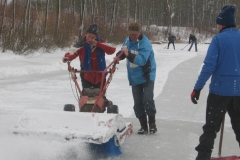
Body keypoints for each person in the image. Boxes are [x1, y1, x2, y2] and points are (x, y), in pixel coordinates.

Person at [190, 5, 240, 160]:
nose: (217, 26)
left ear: (223, 23)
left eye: (218, 23)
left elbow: (209, 66)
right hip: (238, 93)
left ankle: (203, 156)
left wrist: (197, 88)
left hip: (219, 93)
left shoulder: (218, 39)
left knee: (211, 128)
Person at [117, 22, 157, 134]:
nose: (133, 36)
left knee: (147, 99)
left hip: (147, 75)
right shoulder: (127, 40)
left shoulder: (145, 43)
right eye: (131, 34)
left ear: (140, 32)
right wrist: (118, 57)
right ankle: (143, 126)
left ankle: (152, 124)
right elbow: (123, 52)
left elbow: (142, 60)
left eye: (135, 34)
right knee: (138, 102)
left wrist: (128, 54)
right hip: (134, 76)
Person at [62, 24, 116, 104]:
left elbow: (112, 50)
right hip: (86, 74)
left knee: (100, 96)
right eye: (88, 36)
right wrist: (67, 57)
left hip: (100, 74)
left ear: (96, 37)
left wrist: (97, 44)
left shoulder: (101, 43)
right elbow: (72, 51)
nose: (90, 39)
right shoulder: (81, 44)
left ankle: (101, 106)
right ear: (85, 35)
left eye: (93, 37)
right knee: (87, 95)